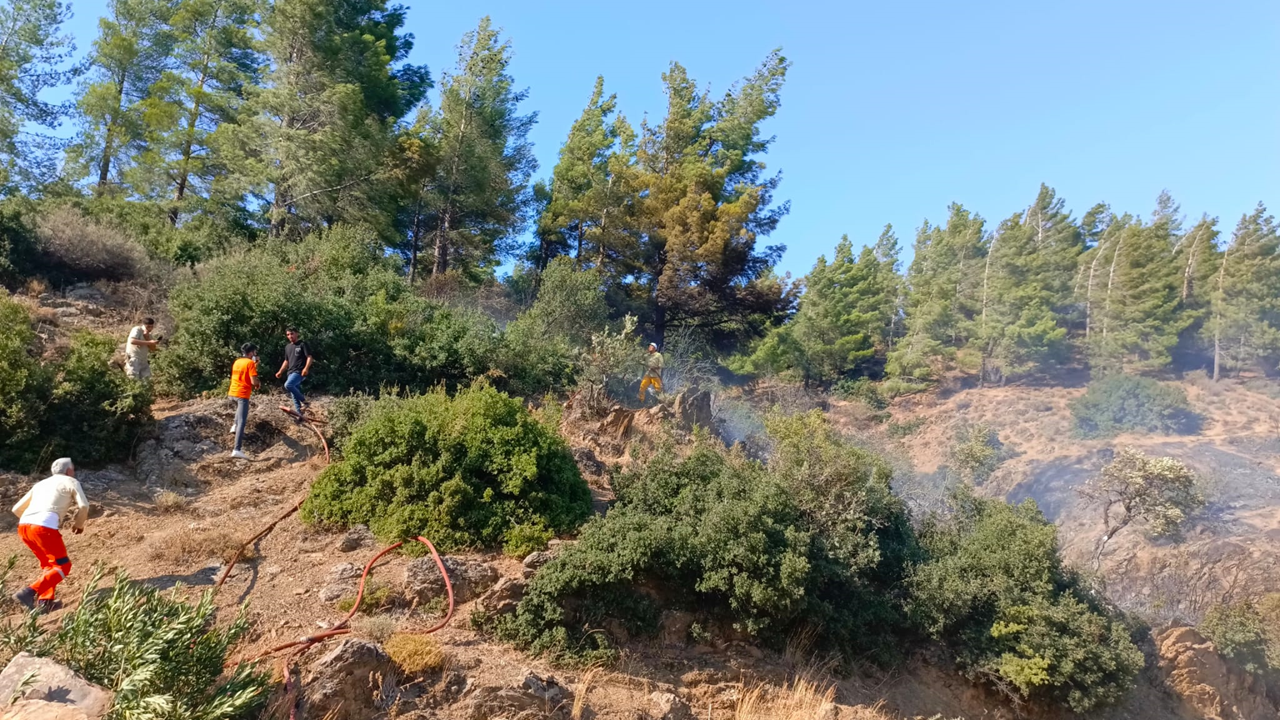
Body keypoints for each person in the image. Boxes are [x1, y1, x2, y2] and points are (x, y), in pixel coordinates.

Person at [11, 458, 89, 612]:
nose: (73, 471)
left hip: (24, 527)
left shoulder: (40, 484)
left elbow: (16, 509)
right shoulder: (71, 481)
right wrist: (79, 524)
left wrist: (32, 521)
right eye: (73, 468)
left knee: (49, 565)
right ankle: (28, 592)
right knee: (63, 566)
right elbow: (84, 505)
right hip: (43, 527)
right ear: (69, 471)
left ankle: (45, 603)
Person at [228, 343, 260, 460]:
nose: (255, 355)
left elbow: (244, 372)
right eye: (254, 352)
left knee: (238, 413)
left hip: (232, 392)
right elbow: (253, 382)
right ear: (251, 353)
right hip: (242, 394)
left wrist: (255, 364)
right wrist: (258, 384)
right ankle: (237, 449)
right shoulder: (250, 363)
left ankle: (234, 426)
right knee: (243, 421)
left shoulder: (237, 361)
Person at [275, 327, 313, 419]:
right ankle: (300, 414)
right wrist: (280, 371)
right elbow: (286, 361)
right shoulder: (288, 347)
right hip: (290, 372)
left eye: (292, 334)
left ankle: (305, 402)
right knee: (294, 392)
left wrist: (306, 368)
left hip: (299, 371)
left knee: (288, 385)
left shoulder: (302, 344)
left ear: (297, 333)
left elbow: (309, 357)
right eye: (288, 334)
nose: (290, 336)